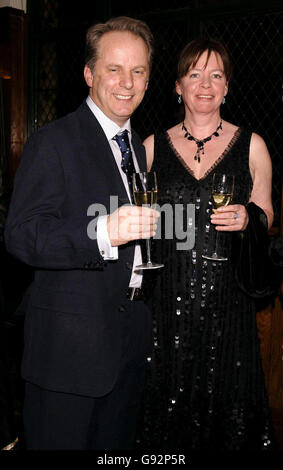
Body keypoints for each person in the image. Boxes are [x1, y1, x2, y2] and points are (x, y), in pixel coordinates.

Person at [4, 16, 159, 450]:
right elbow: (22, 235)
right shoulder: (53, 141)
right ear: (90, 74)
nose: (127, 82)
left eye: (139, 70)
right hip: (68, 353)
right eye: (114, 68)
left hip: (127, 344)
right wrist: (103, 231)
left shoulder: (137, 147)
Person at [136, 38, 277, 450]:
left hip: (229, 303)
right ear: (178, 85)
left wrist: (250, 216)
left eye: (216, 75)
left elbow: (267, 214)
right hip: (165, 305)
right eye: (194, 74)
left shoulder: (253, 145)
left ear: (227, 87)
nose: (205, 84)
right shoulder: (150, 147)